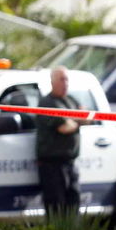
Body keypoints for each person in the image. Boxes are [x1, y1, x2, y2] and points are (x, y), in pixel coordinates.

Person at [35, 65, 81, 216]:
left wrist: (74, 120)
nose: (65, 83)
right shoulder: (48, 103)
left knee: (73, 207)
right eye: (61, 79)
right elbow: (64, 127)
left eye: (67, 79)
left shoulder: (71, 100)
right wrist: (77, 120)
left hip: (70, 163)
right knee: (56, 209)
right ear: (52, 81)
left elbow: (85, 116)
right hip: (52, 166)